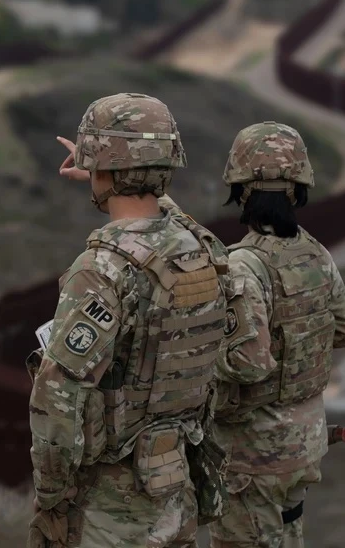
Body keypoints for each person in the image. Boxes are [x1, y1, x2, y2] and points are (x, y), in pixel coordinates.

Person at [28, 93, 230, 548]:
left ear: (102, 168)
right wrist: (113, 171)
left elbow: (57, 398)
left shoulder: (100, 270)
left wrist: (52, 495)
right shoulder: (200, 249)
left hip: (111, 509)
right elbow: (173, 220)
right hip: (177, 491)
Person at [207, 122, 345, 548]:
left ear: (240, 189)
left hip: (253, 454)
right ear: (298, 188)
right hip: (304, 443)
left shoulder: (242, 265)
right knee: (288, 531)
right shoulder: (314, 252)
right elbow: (344, 329)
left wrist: (202, 354)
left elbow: (247, 364)